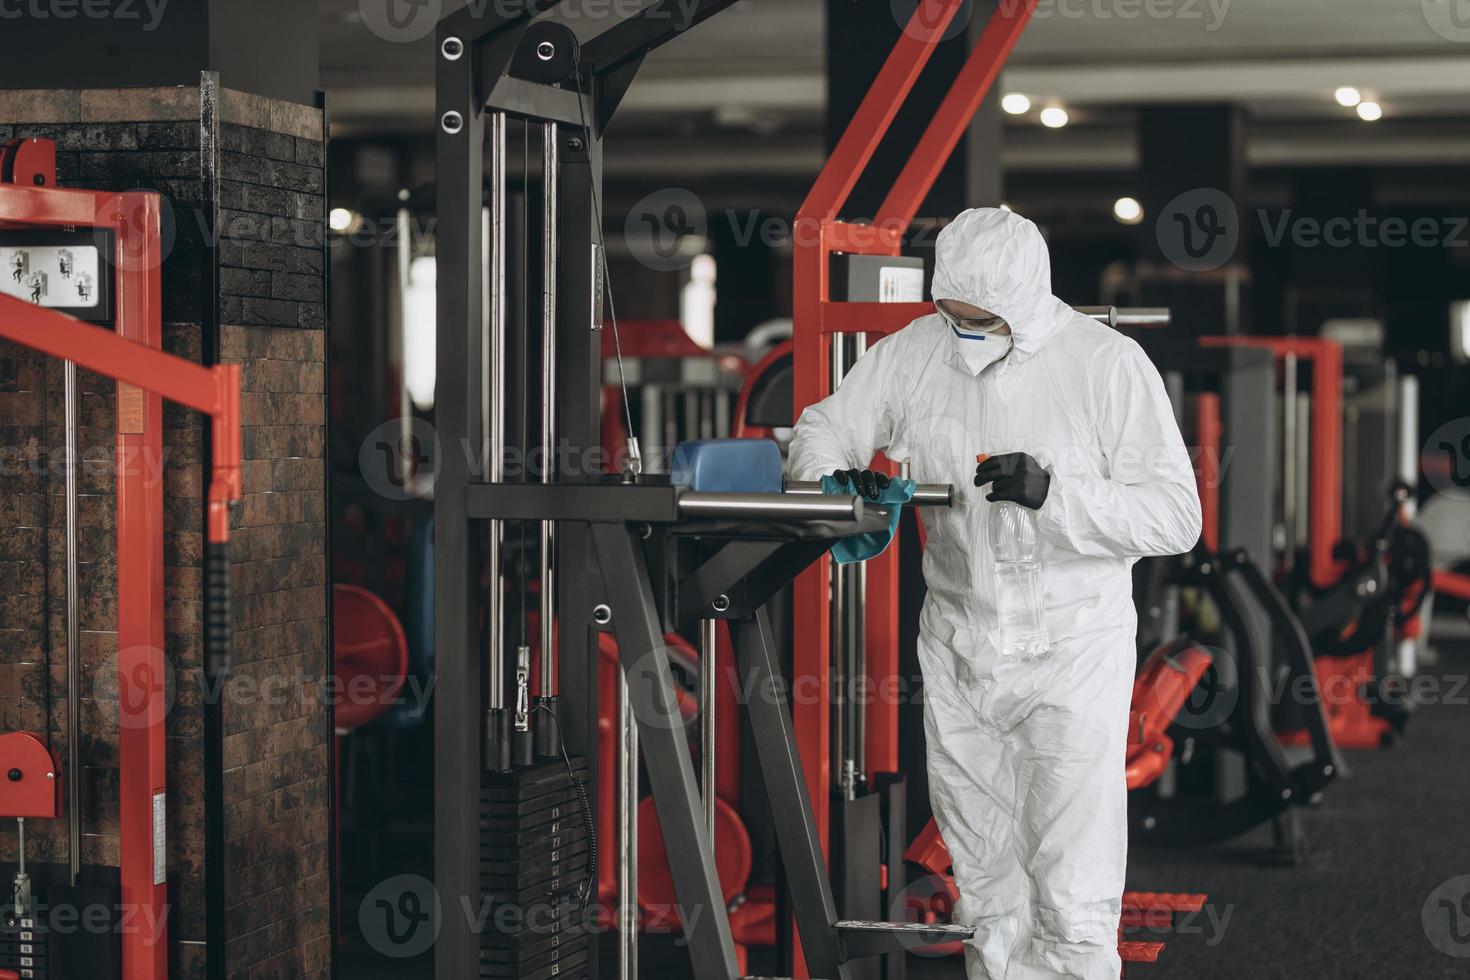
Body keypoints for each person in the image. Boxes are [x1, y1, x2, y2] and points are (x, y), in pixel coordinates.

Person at [788, 207, 1201, 980]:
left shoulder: (1105, 365)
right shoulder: (916, 353)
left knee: (1071, 890)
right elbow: (823, 427)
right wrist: (834, 485)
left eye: (983, 320)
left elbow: (1178, 516)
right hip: (959, 650)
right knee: (982, 886)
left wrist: (1057, 493)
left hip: (1072, 659)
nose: (965, 332)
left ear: (1025, 300)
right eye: (954, 314)